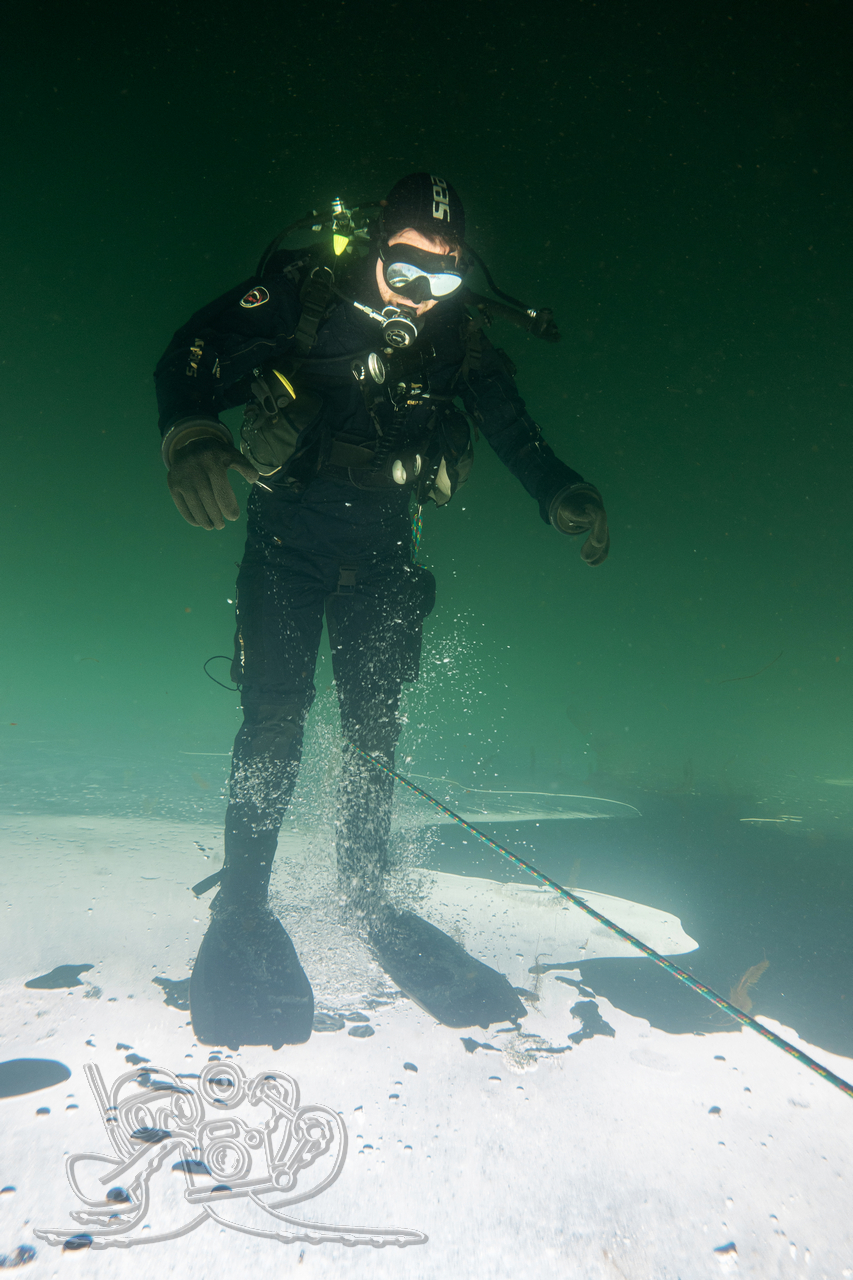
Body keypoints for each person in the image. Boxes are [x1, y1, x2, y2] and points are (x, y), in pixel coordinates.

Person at [154, 173, 609, 1050]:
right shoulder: (300, 295)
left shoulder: (456, 336)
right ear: (374, 247)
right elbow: (191, 353)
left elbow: (511, 426)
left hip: (385, 556)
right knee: (274, 721)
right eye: (405, 268)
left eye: (443, 275)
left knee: (374, 724)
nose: (421, 294)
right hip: (286, 549)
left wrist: (561, 490)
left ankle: (364, 889)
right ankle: (243, 904)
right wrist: (192, 432)